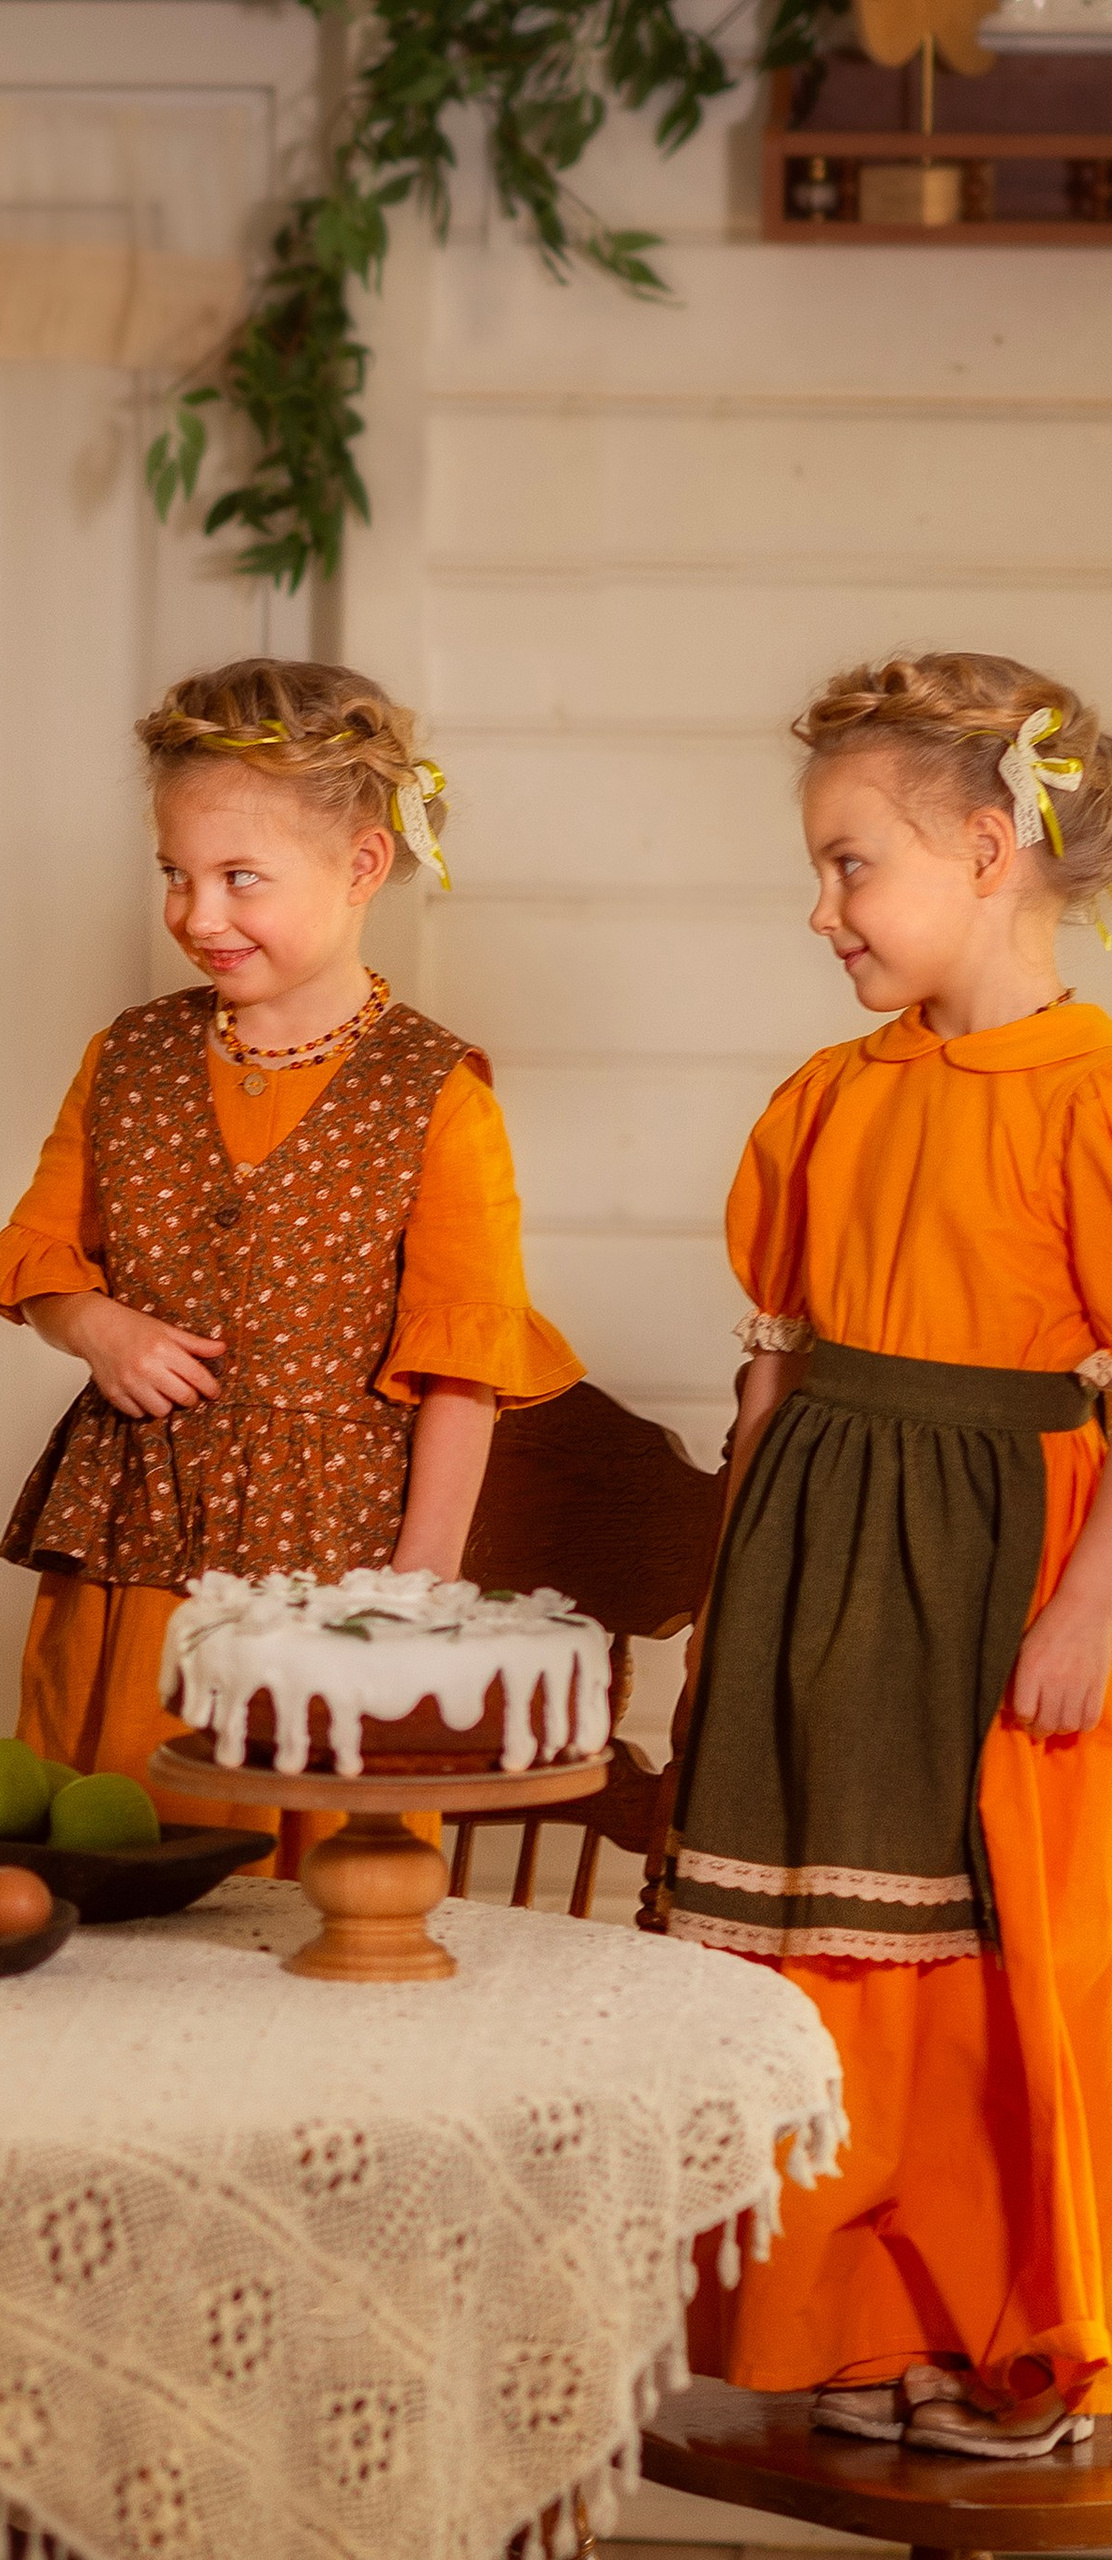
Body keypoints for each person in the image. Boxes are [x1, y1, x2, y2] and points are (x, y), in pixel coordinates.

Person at [668, 652, 1112, 2458]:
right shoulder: (828, 1099)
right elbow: (773, 1368)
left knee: (995, 1962)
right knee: (822, 1955)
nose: (822, 907)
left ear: (993, 848)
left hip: (1005, 1567)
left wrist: (1090, 1608)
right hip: (817, 1569)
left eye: (854, 864)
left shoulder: (1092, 1092)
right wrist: (728, 1597)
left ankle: (1009, 2332)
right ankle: (849, 2312)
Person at [0, 657, 580, 1864]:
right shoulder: (128, 1057)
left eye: (240, 878)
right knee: (110, 1848)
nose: (198, 915)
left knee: (310, 1889)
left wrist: (412, 1598)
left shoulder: (436, 1092)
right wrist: (96, 1328)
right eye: (175, 876)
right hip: (132, 1544)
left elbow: (465, 1355)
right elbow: (42, 1257)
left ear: (361, 866)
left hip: (332, 1570)